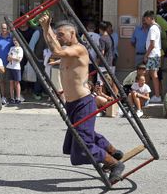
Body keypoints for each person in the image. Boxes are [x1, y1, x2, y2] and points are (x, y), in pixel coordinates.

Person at [38, 14, 125, 184]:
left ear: (73, 34)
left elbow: (56, 51)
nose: (58, 37)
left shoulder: (79, 49)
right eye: (57, 35)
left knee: (82, 144)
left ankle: (114, 164)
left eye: (61, 34)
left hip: (84, 102)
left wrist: (46, 27)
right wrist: (46, 29)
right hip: (72, 104)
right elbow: (55, 52)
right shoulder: (67, 53)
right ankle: (112, 150)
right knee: (80, 137)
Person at [143, 11, 162, 103]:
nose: (145, 21)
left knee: (153, 75)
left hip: (152, 55)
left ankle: (157, 95)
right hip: (154, 54)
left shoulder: (153, 29)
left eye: (146, 19)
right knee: (148, 74)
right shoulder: (156, 27)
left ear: (150, 18)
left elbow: (152, 44)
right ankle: (145, 93)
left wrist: (146, 55)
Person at [0, 23, 13, 104]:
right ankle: (3, 96)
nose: (3, 30)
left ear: (8, 29)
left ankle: (10, 96)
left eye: (5, 28)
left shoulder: (11, 38)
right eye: (2, 28)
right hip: (0, 63)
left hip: (10, 63)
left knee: (10, 81)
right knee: (1, 81)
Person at [6, 38, 23, 104]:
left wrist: (12, 58)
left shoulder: (20, 49)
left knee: (17, 83)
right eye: (14, 40)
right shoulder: (11, 48)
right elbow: (8, 58)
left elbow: (19, 59)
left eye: (16, 40)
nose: (15, 41)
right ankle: (12, 98)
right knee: (11, 83)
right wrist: (12, 58)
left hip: (16, 67)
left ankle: (18, 98)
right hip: (10, 67)